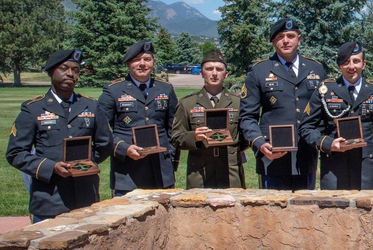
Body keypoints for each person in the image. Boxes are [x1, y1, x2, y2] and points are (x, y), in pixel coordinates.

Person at [6, 50, 110, 221]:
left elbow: (105, 144)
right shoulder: (33, 109)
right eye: (64, 68)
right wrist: (50, 167)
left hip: (86, 197)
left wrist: (84, 164)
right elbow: (16, 153)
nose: (70, 74)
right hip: (49, 198)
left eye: (75, 70)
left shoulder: (91, 106)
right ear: (51, 72)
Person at [239, 19, 326, 190]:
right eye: (280, 36)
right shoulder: (259, 71)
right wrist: (260, 144)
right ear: (273, 41)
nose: (286, 40)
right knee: (272, 214)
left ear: (299, 39)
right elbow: (247, 117)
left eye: (290, 36)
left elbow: (323, 111)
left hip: (305, 156)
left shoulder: (315, 69)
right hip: (272, 159)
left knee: (305, 212)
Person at [301, 41, 373, 190]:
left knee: (364, 210)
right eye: (346, 62)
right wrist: (328, 144)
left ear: (364, 64)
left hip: (365, 165)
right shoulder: (325, 91)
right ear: (339, 65)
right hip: (334, 166)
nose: (351, 67)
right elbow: (306, 127)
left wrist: (372, 150)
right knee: (333, 210)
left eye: (356, 61)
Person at [97, 41, 179, 195]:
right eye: (136, 60)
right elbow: (101, 130)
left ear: (154, 63)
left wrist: (170, 155)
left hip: (161, 171)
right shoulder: (113, 91)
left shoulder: (165, 88)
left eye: (147, 59)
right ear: (128, 63)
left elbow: (173, 127)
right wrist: (123, 148)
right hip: (128, 172)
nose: (142, 64)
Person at [171, 49, 247, 188]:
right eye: (209, 69)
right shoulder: (187, 103)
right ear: (201, 73)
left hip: (230, 171)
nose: (214, 73)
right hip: (200, 173)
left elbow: (246, 137)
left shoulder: (239, 103)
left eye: (219, 69)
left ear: (226, 74)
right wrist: (194, 136)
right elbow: (176, 138)